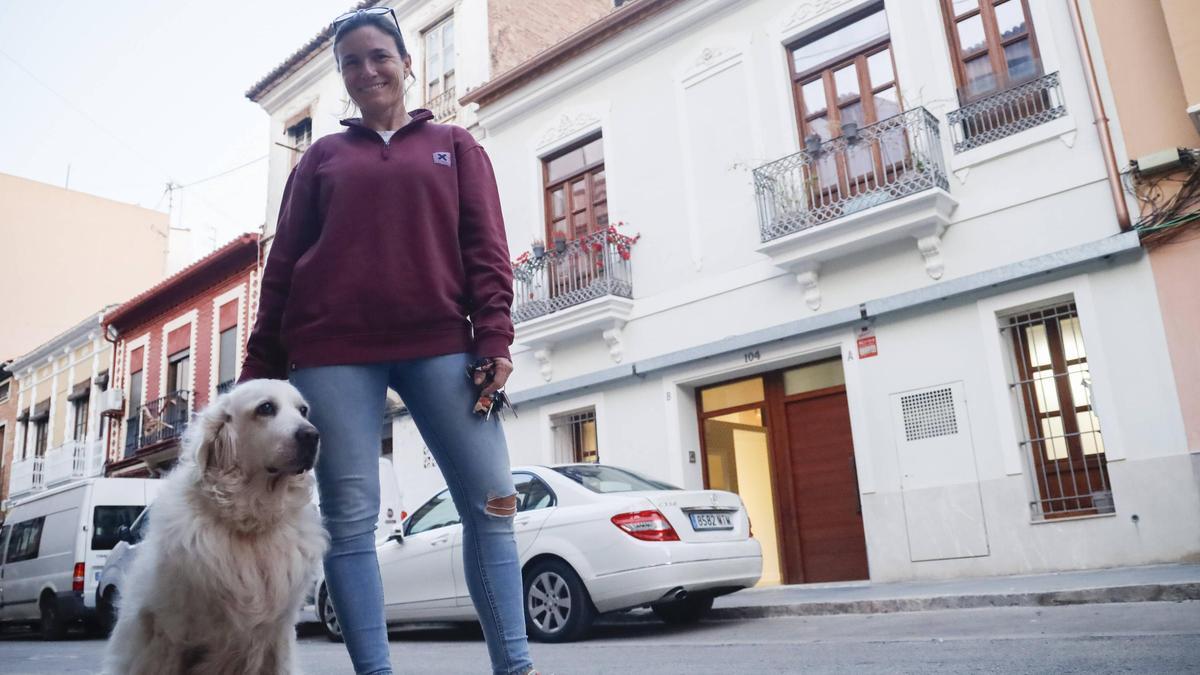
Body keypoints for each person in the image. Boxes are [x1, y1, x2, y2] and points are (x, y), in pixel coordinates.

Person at [238, 8, 536, 675]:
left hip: (441, 344)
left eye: (378, 55)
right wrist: (260, 373)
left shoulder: (457, 147)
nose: (366, 69)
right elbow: (283, 269)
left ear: (407, 63)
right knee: (351, 521)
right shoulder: (320, 159)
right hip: (331, 353)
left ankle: (516, 668)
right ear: (343, 78)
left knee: (493, 502)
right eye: (350, 62)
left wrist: (495, 336)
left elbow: (485, 250)